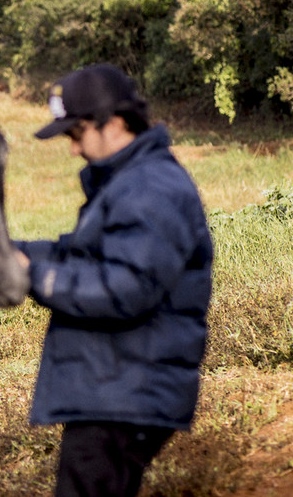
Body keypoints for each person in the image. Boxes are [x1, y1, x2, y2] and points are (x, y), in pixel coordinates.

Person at [15, 64, 214, 496]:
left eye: (76, 133)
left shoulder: (150, 186)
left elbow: (125, 288)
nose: (73, 149)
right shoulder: (130, 182)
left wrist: (32, 276)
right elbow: (81, 255)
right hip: (117, 387)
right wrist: (8, 252)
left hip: (126, 393)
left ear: (116, 123)